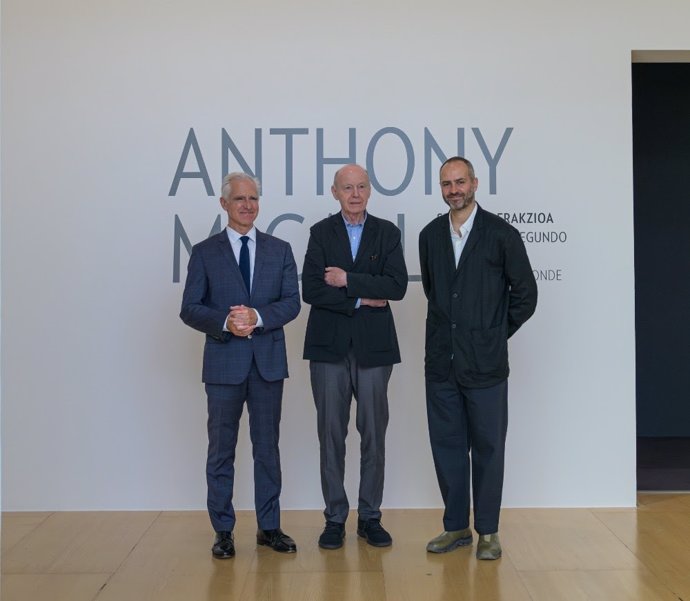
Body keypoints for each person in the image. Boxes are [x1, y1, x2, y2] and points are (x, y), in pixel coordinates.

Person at [419, 156, 537, 560]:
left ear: (475, 183)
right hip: (441, 363)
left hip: (486, 365)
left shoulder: (502, 234)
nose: (454, 190)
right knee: (447, 446)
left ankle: (488, 531)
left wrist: (492, 335)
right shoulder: (429, 235)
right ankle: (456, 528)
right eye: (447, 184)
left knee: (488, 447)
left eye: (460, 182)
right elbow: (434, 293)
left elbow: (525, 296)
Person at [180, 172, 301, 558]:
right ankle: (224, 530)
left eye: (253, 199)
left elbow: (291, 302)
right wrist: (225, 322)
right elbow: (190, 308)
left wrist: (257, 315)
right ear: (224, 204)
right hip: (223, 366)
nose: (248, 205)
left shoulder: (279, 249)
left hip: (266, 364)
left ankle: (269, 527)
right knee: (221, 450)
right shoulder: (204, 252)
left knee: (268, 448)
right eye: (239, 200)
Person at [302, 164, 408, 549]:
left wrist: (348, 281)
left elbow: (396, 286)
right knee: (330, 434)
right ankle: (334, 518)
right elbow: (311, 290)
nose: (355, 193)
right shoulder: (320, 233)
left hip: (374, 348)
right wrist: (365, 297)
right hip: (328, 348)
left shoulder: (387, 232)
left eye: (361, 186)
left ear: (370, 190)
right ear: (335, 192)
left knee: (374, 435)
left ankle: (370, 517)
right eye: (348, 187)